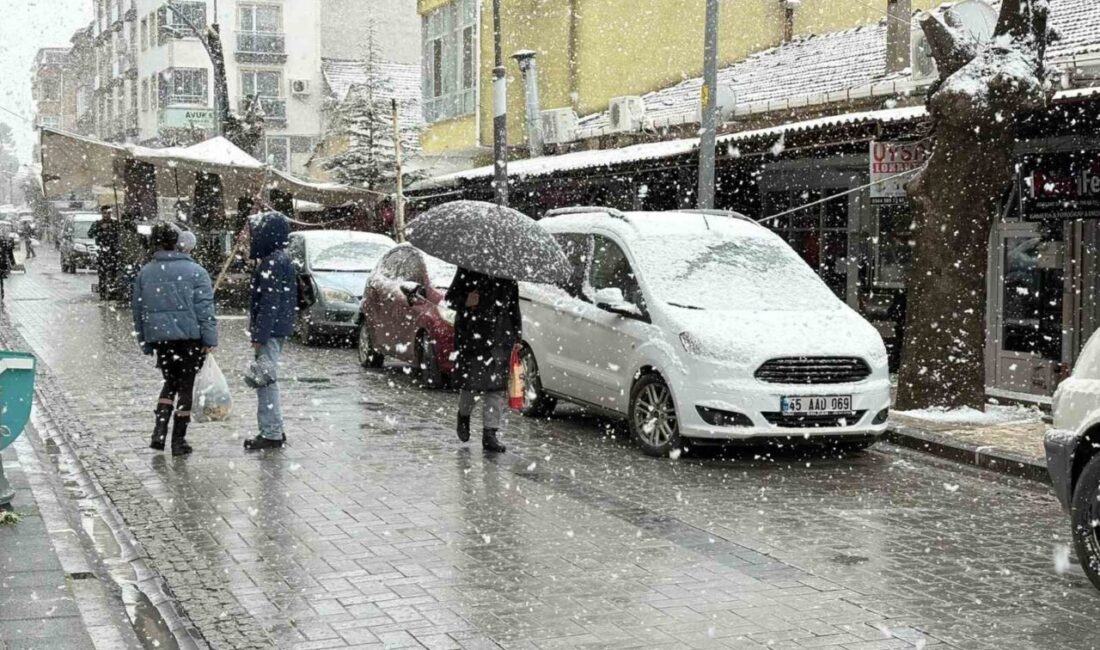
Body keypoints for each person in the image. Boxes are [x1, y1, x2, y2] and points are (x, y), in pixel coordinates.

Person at [132, 223, 218, 456]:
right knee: (186, 386)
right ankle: (178, 441)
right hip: (190, 338)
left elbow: (138, 310)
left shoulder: (146, 272)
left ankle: (159, 431)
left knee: (170, 382)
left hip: (161, 340)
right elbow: (205, 310)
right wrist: (209, 339)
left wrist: (145, 340)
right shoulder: (196, 272)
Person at [445, 268, 521, 453]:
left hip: (500, 337)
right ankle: (463, 415)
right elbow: (449, 299)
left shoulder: (507, 275)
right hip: (473, 337)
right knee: (471, 386)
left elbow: (513, 308)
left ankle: (490, 434)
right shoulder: (468, 270)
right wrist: (466, 300)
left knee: (495, 389)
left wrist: (517, 336)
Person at [244, 211, 297, 451]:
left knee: (265, 381)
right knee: (266, 379)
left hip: (271, 331)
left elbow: (269, 302)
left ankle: (271, 432)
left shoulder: (272, 263)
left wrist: (259, 335)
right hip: (276, 328)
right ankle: (272, 429)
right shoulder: (279, 259)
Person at [89, 206, 121, 300]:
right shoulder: (97, 224)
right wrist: (99, 229)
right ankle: (103, 294)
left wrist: (113, 229)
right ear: (102, 214)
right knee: (102, 274)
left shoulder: (115, 224)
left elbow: (120, 234)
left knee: (114, 273)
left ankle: (113, 293)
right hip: (102, 252)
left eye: (108, 213)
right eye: (105, 213)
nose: (107, 215)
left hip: (114, 252)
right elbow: (90, 234)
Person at [0, 233, 15, 301]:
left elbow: (7, 249)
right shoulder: (3, 247)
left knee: (1, 280)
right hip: (2, 265)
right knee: (1, 281)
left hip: (2, 265)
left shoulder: (3, 248)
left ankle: (2, 292)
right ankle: (2, 292)